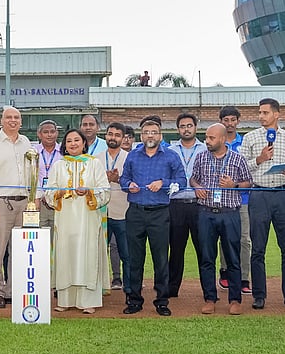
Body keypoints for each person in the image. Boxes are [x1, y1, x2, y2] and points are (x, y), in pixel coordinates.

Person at [240, 98, 285, 309]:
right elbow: (241, 168)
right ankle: (259, 295)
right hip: (259, 195)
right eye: (259, 112)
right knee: (258, 248)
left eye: (265, 112)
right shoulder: (250, 137)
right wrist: (259, 159)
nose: (261, 116)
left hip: (283, 195)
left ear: (276, 114)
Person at [120, 116, 186, 316]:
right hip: (135, 212)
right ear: (141, 135)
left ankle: (162, 301)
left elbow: (181, 180)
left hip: (159, 213)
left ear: (160, 135)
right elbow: (124, 178)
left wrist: (163, 183)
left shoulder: (171, 156)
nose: (150, 135)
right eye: (146, 132)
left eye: (154, 132)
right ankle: (134, 299)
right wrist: (127, 185)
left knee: (160, 258)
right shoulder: (132, 156)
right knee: (134, 258)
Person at [189, 122, 252, 315]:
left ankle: (235, 299)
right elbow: (193, 178)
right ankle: (209, 298)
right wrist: (196, 186)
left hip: (229, 214)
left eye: (211, 138)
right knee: (207, 258)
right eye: (207, 137)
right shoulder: (200, 157)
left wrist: (234, 185)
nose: (207, 141)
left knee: (233, 258)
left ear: (223, 139)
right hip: (206, 213)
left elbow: (248, 183)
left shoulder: (237, 159)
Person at [46, 128, 110, 313]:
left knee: (87, 254)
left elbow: (105, 190)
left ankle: (88, 301)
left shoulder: (94, 164)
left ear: (84, 143)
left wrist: (88, 191)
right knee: (66, 254)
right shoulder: (58, 166)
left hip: (88, 218)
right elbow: (49, 192)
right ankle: (65, 301)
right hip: (65, 219)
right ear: (64, 145)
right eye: (69, 141)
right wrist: (64, 192)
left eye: (76, 140)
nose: (73, 144)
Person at [0, 106, 34, 309]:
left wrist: (33, 198)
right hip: (1, 202)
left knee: (19, 250)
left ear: (21, 121)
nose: (13, 121)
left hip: (23, 202)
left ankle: (12, 290)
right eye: (9, 117)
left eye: (17, 118)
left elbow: (32, 172)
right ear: (2, 121)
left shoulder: (26, 143)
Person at [168, 113, 206, 299]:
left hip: (199, 204)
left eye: (189, 125)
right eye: (182, 126)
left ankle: (208, 289)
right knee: (176, 249)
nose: (186, 129)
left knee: (204, 248)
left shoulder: (205, 149)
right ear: (178, 129)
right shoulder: (170, 150)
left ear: (195, 127)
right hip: (176, 204)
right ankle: (172, 289)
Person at [218, 106, 251, 295]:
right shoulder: (216, 142)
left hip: (242, 198)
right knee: (225, 237)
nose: (229, 124)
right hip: (221, 199)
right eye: (226, 120)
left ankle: (244, 277)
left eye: (233, 120)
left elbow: (248, 172)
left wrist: (235, 183)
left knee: (245, 239)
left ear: (238, 121)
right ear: (221, 121)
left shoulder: (245, 143)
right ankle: (225, 273)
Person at [101, 122, 130, 291]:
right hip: (100, 212)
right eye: (110, 134)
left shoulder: (130, 158)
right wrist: (105, 178)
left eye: (117, 135)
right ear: (106, 135)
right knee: (99, 252)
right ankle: (99, 286)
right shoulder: (96, 158)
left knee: (126, 253)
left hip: (123, 211)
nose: (113, 137)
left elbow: (134, 182)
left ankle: (129, 288)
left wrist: (118, 180)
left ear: (123, 138)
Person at [33, 119, 61, 230]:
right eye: (46, 132)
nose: (49, 135)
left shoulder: (64, 152)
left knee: (57, 238)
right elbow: (31, 177)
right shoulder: (33, 152)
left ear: (57, 133)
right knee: (40, 236)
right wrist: (39, 196)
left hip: (58, 201)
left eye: (52, 131)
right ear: (39, 134)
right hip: (38, 202)